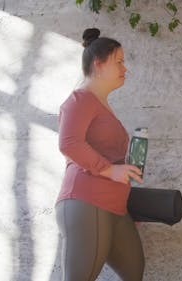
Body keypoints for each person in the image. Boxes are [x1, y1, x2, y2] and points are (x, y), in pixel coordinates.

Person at [55, 28, 145, 281]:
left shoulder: (100, 105)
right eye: (119, 61)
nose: (125, 69)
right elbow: (69, 143)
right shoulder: (79, 99)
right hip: (87, 199)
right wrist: (110, 170)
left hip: (114, 205)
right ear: (98, 63)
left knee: (133, 271)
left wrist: (125, 170)